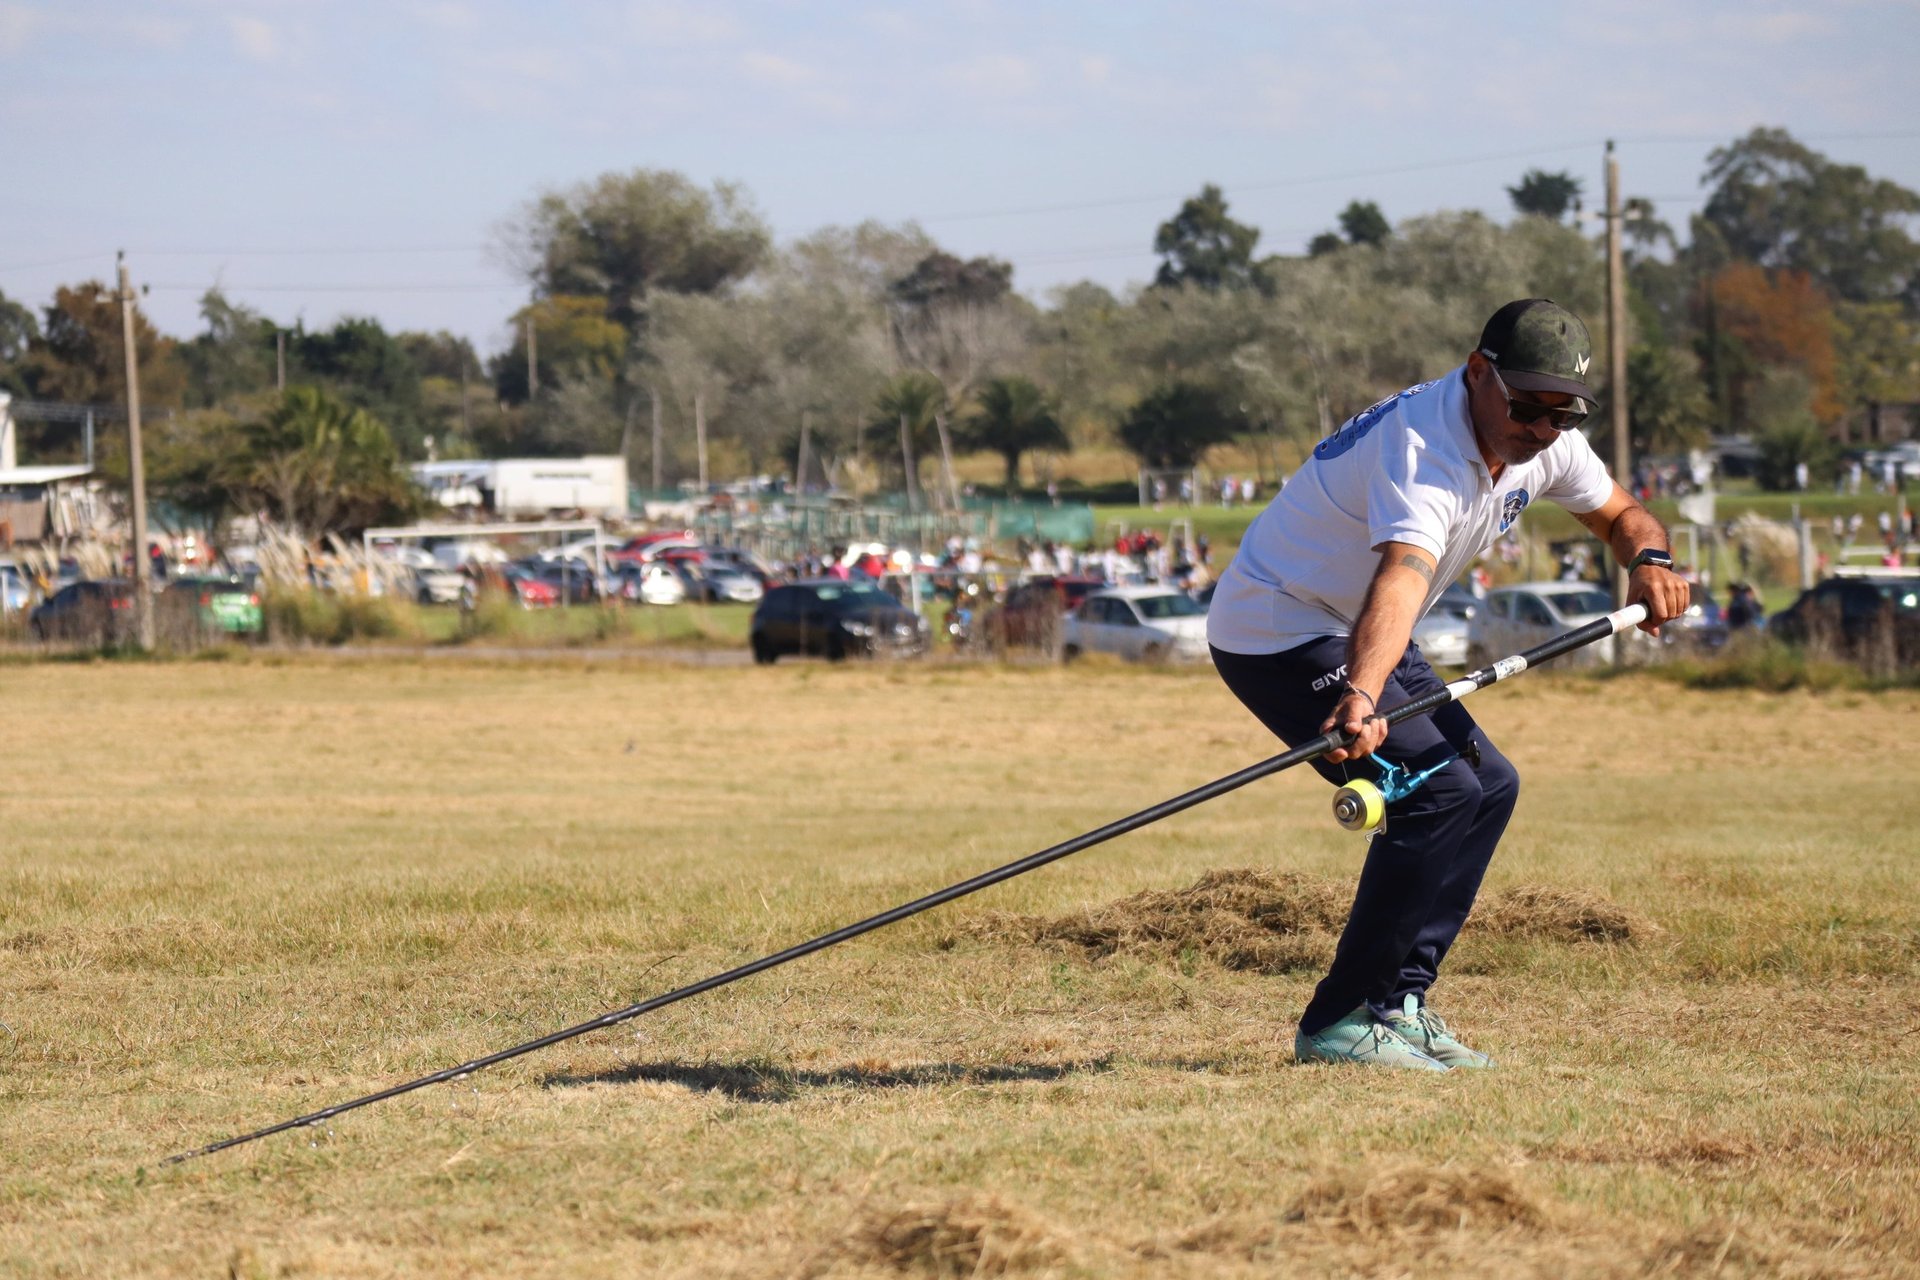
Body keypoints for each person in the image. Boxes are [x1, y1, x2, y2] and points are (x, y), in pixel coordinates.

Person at [1206, 299, 1689, 1072]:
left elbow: (1623, 514)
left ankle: (1398, 1002)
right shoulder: (1423, 448)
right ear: (1477, 373)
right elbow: (1403, 575)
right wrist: (1359, 698)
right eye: (1528, 407)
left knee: (1490, 784)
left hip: (1367, 626)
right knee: (1435, 792)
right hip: (1280, 629)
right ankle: (1336, 1020)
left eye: (1563, 414)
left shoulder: (1546, 443)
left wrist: (1651, 561)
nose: (1542, 430)